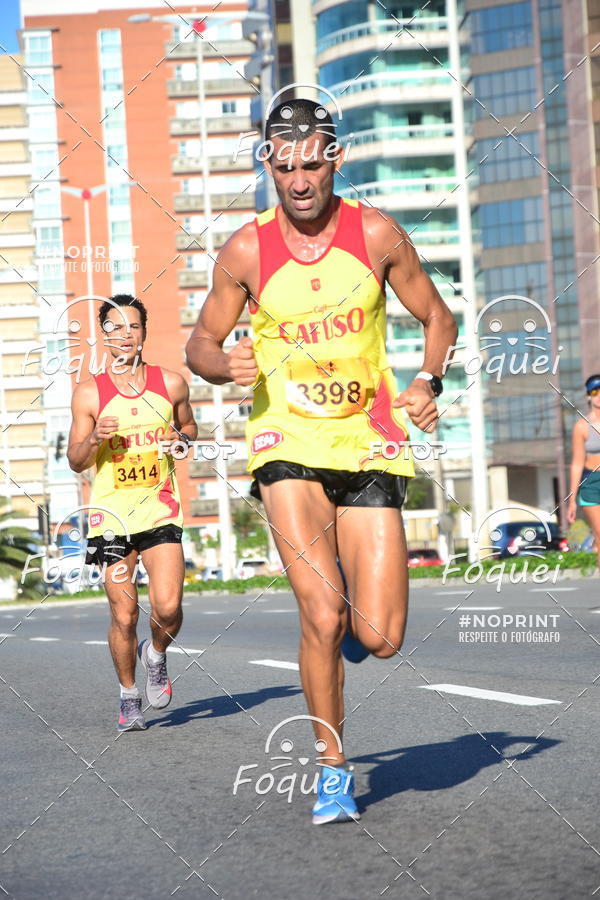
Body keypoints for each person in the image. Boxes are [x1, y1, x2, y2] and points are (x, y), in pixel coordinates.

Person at [186, 99, 457, 823]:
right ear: (266, 162)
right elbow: (199, 345)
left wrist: (428, 380)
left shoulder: (376, 235)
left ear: (335, 158)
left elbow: (438, 316)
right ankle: (332, 770)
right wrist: (223, 365)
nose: (300, 178)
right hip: (287, 445)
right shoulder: (246, 250)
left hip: (369, 442)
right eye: (285, 164)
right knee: (321, 613)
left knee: (381, 636)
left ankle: (355, 639)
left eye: (312, 162)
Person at [68, 294, 197, 731]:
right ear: (102, 335)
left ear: (144, 332)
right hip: (111, 519)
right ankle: (128, 695)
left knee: (170, 606)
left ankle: (156, 654)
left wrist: (177, 439)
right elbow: (75, 460)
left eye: (134, 326)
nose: (126, 334)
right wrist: (94, 440)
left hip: (161, 510)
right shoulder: (89, 393)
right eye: (116, 327)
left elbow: (190, 430)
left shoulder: (172, 383)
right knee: (124, 615)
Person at [567, 373, 600, 570]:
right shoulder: (581, 427)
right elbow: (577, 464)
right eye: (595, 392)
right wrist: (571, 500)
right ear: (588, 396)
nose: (599, 396)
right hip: (591, 484)